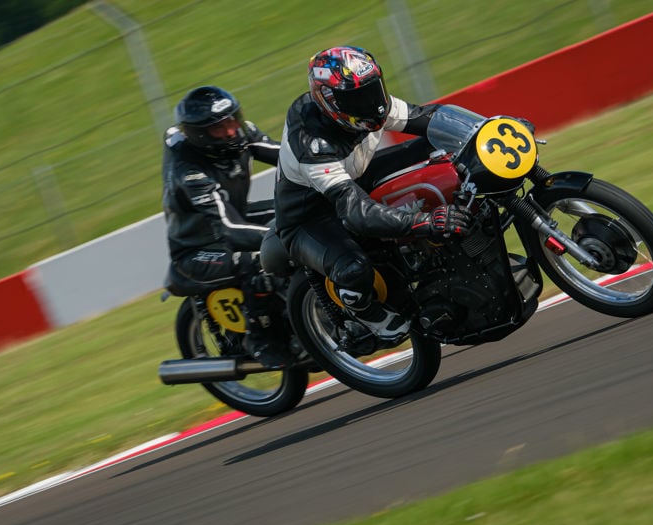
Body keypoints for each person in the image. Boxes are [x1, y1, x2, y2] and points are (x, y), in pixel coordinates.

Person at [273, 46, 471, 343]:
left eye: (372, 90)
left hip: (357, 178)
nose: (372, 104)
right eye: (357, 98)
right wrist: (425, 221)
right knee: (354, 269)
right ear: (329, 101)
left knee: (437, 146)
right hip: (311, 216)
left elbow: (426, 117)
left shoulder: (372, 107)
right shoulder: (312, 144)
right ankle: (363, 313)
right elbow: (356, 213)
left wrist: (486, 127)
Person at [162, 85, 290, 368]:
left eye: (232, 120)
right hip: (199, 249)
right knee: (255, 259)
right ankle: (263, 339)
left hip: (235, 219)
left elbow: (289, 158)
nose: (231, 131)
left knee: (299, 211)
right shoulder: (191, 172)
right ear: (200, 135)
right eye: (219, 128)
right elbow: (229, 229)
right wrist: (285, 237)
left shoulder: (242, 134)